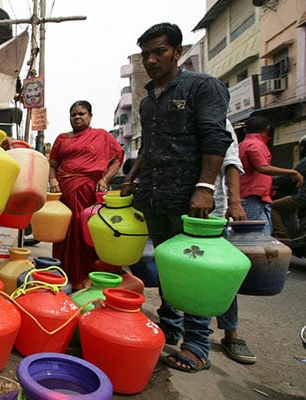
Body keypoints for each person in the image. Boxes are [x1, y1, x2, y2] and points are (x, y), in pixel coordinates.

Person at [120, 22, 233, 373]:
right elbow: (148, 146)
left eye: (159, 51)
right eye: (146, 54)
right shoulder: (148, 100)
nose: (151, 60)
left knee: (193, 270)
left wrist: (205, 188)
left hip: (190, 199)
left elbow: (216, 138)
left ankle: (198, 343)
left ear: (178, 52)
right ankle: (170, 323)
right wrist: (132, 177)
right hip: (155, 193)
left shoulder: (203, 87)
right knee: (167, 267)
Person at [48, 100, 124, 288]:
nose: (77, 117)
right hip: (64, 191)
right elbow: (53, 165)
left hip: (89, 192)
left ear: (90, 116)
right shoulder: (62, 139)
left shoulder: (102, 136)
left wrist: (105, 179)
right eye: (73, 114)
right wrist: (53, 180)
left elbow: (117, 159)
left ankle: (85, 279)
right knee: (63, 233)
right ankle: (62, 276)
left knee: (86, 233)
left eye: (81, 113)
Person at [213, 121, 254, 365]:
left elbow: (231, 163)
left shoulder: (219, 120)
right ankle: (176, 328)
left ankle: (231, 332)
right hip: (176, 209)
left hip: (214, 212)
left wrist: (235, 202)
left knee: (222, 275)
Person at [239, 115, 303, 236]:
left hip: (253, 194)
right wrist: (292, 172)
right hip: (253, 195)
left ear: (245, 130)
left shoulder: (245, 144)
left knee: (258, 232)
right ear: (267, 129)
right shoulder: (255, 144)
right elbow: (262, 167)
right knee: (256, 235)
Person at [271, 135, 306, 241]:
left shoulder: (304, 162)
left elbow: (289, 177)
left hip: (303, 197)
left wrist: (269, 180)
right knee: (290, 210)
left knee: (273, 206)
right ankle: (295, 236)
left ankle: (282, 237)